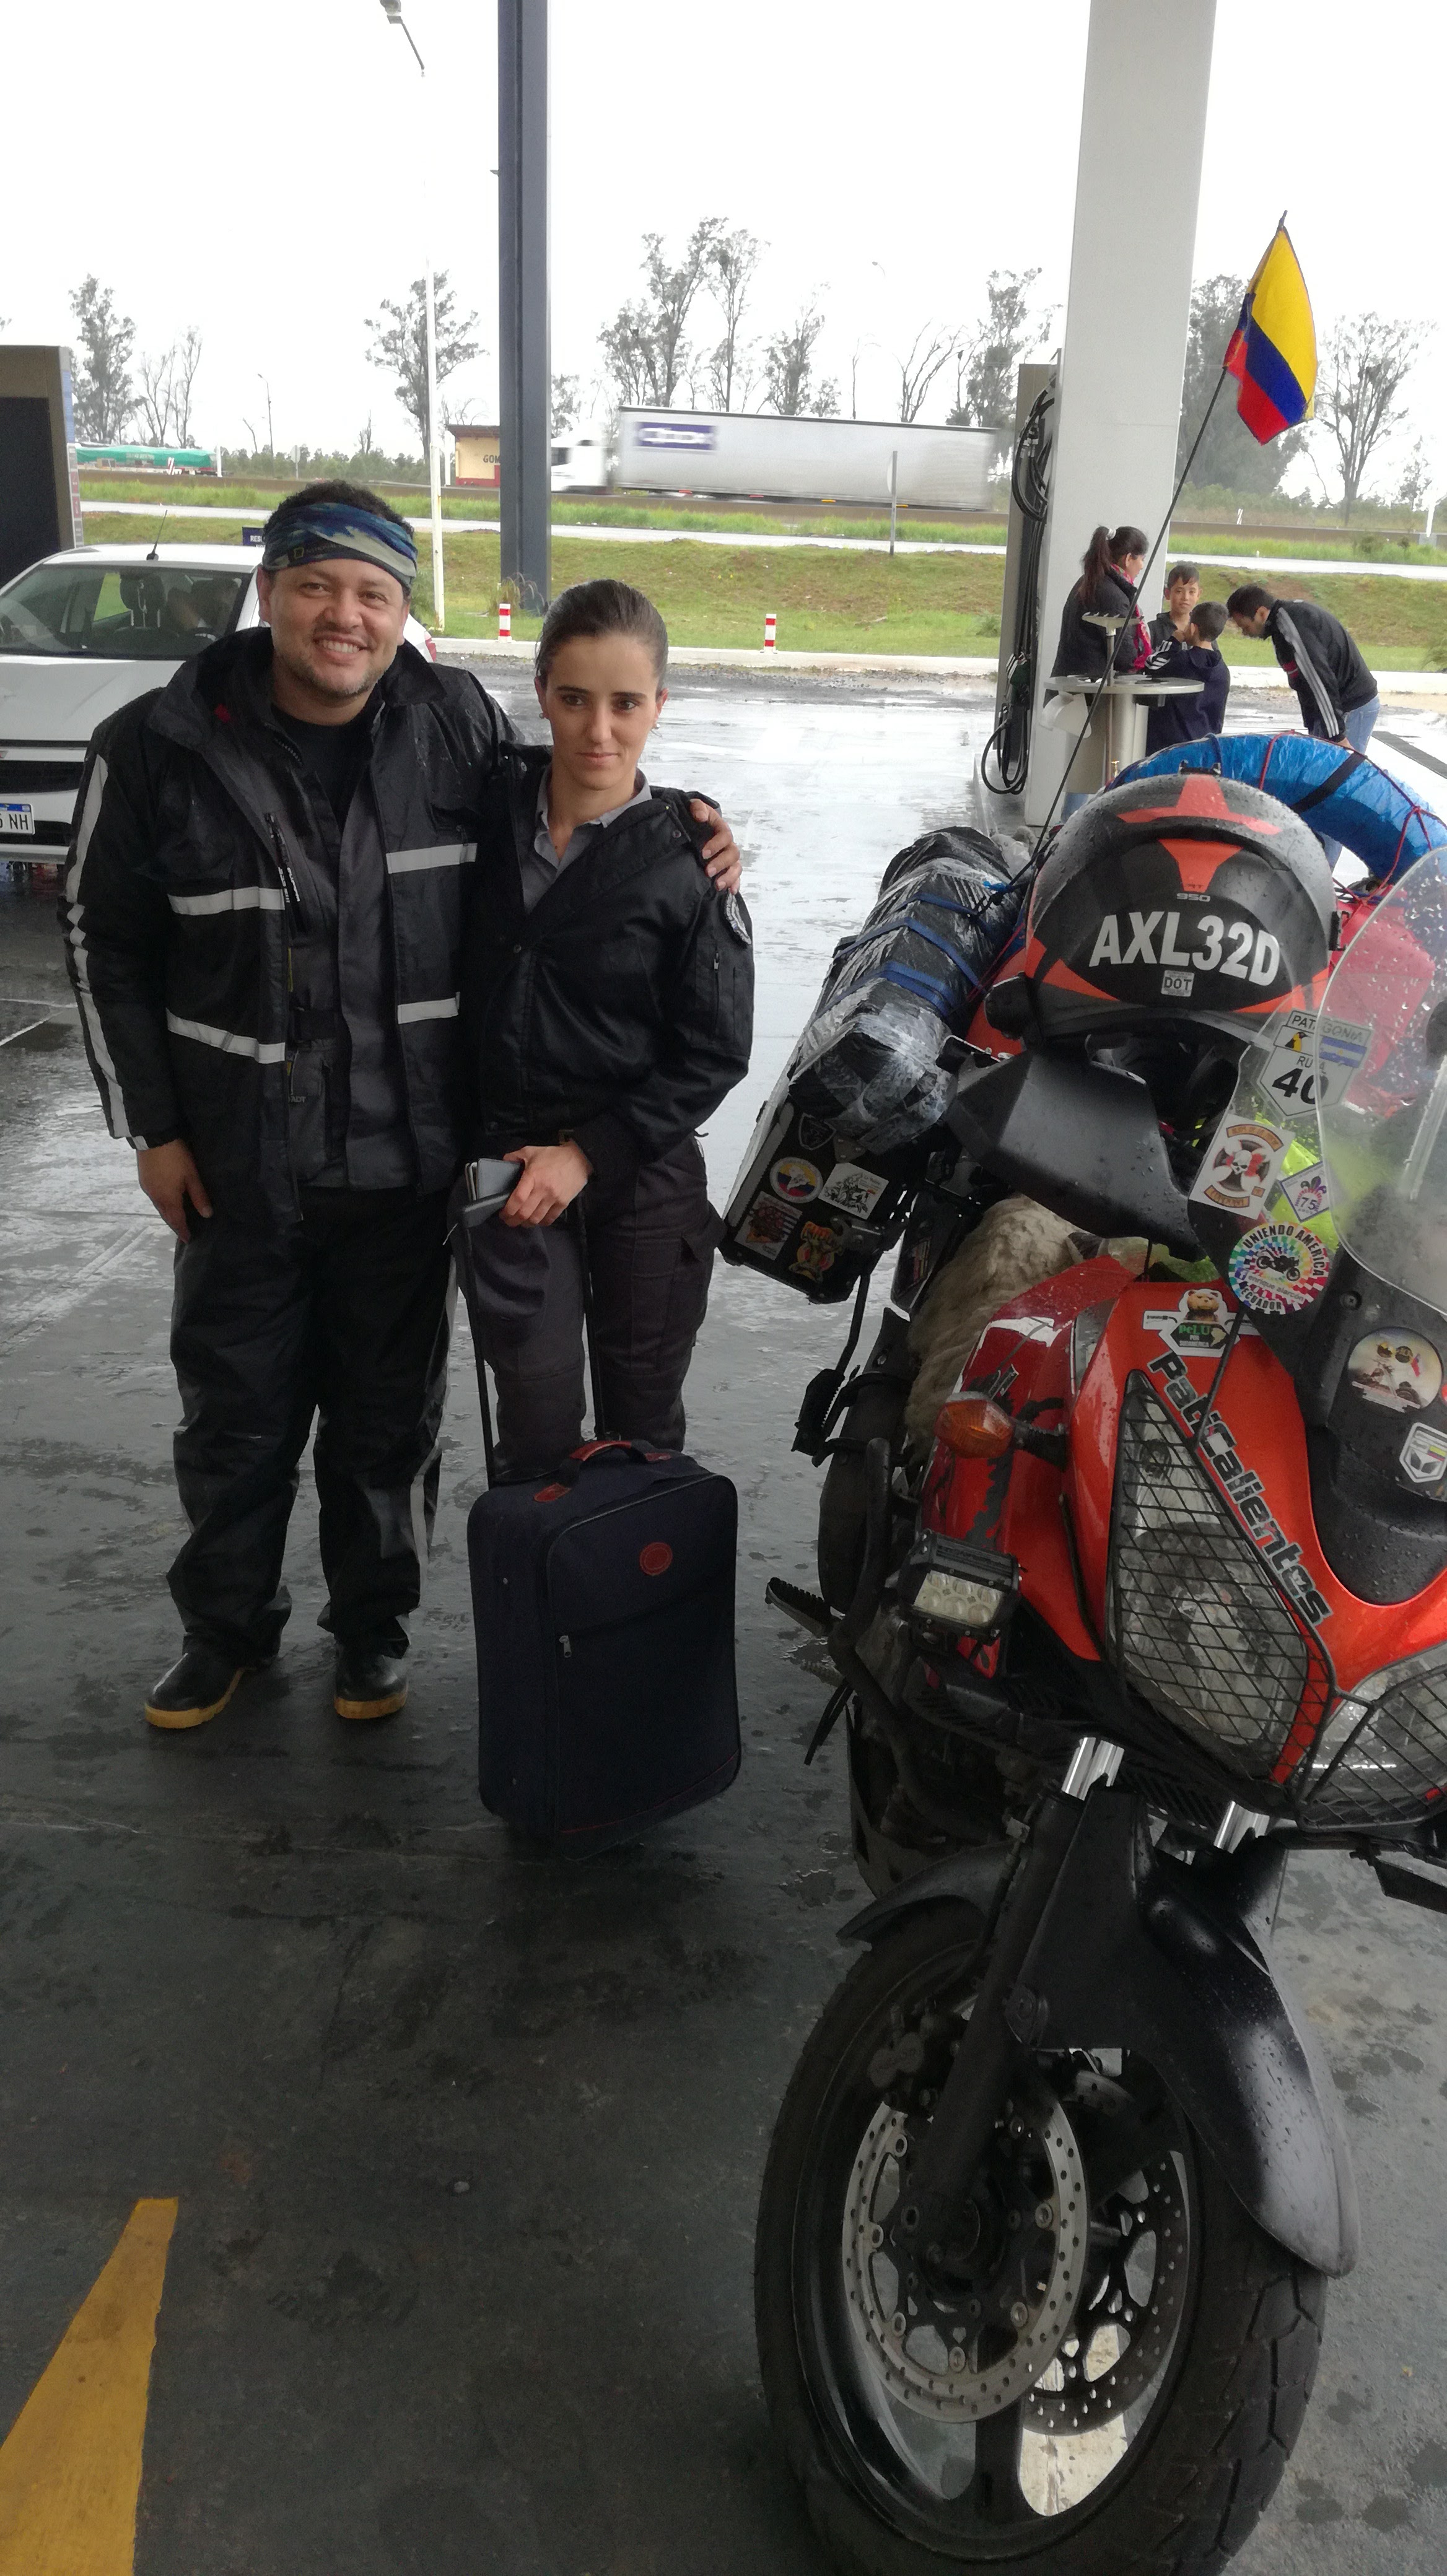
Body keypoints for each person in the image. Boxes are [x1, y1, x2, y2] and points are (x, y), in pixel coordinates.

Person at [62, 484, 741, 1734]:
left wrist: (685, 821)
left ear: (402, 614)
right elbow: (103, 939)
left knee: (387, 1423)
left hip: (405, 1161)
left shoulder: (451, 726)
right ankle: (223, 1633)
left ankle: (370, 1633)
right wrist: (151, 1129)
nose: (345, 616)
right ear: (269, 591)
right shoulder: (155, 744)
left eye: (373, 593)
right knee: (236, 1416)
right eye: (317, 585)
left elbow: (581, 775)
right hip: (237, 1161)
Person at [459, 580, 754, 1477]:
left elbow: (713, 1052)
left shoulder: (689, 861)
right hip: (512, 1173)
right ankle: (538, 1569)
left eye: (626, 704)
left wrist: (588, 1152)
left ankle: (634, 1569)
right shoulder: (479, 816)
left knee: (642, 1430)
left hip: (643, 1177)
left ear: (659, 705)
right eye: (574, 699)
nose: (598, 731)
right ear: (540, 693)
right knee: (537, 1422)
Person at [1225, 582, 1378, 754]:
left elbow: (1319, 681)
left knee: (1343, 768)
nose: (1245, 633)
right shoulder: (1282, 625)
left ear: (1261, 613)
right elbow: (1303, 682)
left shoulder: (1292, 625)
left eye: (1246, 627)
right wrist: (1313, 724)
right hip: (1335, 709)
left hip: (1351, 705)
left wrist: (1336, 736)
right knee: (1324, 767)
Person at [1051, 524, 1152, 681]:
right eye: (1141, 559)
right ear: (1128, 559)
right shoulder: (1113, 596)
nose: (1142, 566)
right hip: (1090, 689)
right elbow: (1125, 657)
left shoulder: (1088, 582)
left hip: (1070, 685)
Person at [1143, 599, 1231, 754]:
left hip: (1171, 746)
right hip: (1205, 746)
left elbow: (1152, 666)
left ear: (1193, 627)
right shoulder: (1222, 670)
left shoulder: (1183, 661)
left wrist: (1174, 641)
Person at [1149, 561, 1200, 648]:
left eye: (1192, 592)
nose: (1186, 598)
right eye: (1179, 591)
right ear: (1167, 593)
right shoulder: (1153, 629)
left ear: (1198, 594)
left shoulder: (1202, 630)